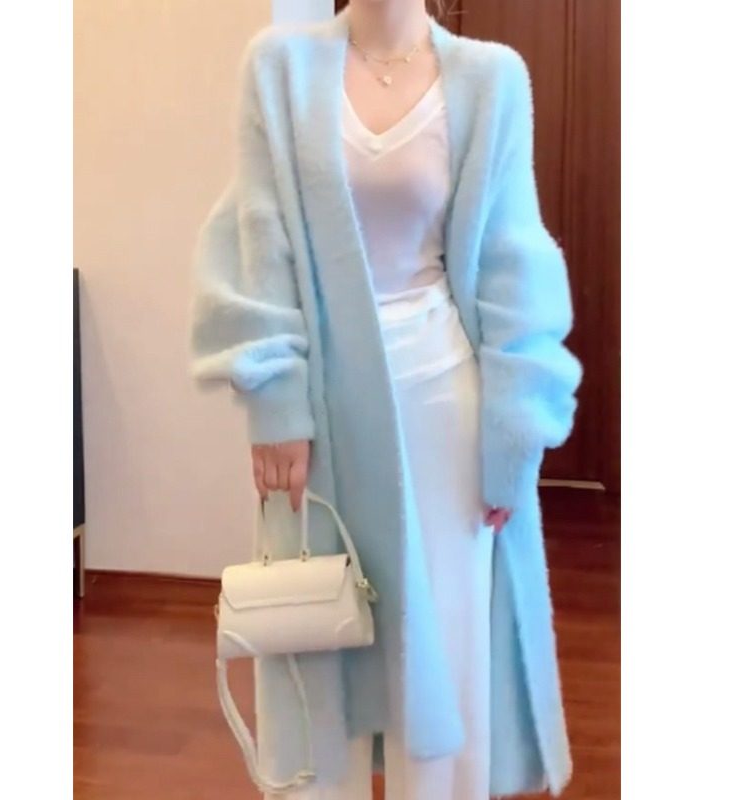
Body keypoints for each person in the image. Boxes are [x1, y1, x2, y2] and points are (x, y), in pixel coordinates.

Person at [188, 1, 583, 798]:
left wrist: (513, 440)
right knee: (314, 630)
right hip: (323, 414)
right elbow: (259, 242)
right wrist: (276, 404)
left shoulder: (492, 79)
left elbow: (513, 259)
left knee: (445, 650)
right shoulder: (280, 68)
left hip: (445, 411)